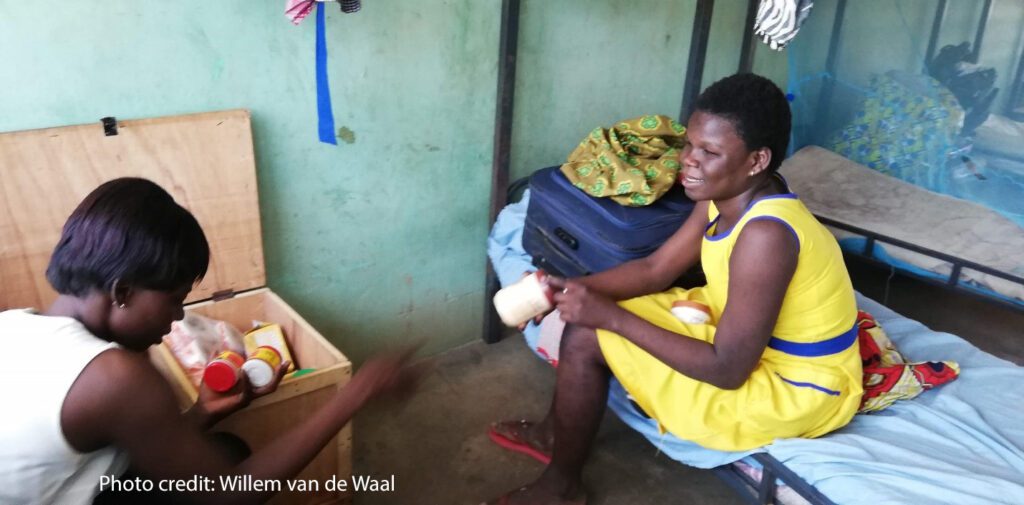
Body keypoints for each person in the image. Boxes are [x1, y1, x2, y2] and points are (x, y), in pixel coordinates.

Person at [485, 73, 863, 505]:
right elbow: (655, 269)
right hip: (743, 334)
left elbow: (727, 369)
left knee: (591, 332)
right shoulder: (725, 192)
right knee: (597, 314)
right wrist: (566, 288)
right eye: (689, 144)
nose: (688, 160)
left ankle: (561, 489)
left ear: (757, 160)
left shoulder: (766, 235)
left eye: (709, 152)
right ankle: (555, 436)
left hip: (795, 387)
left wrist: (608, 317)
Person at [0, 178, 419, 505]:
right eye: (175, 299)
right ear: (122, 292)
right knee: (227, 465)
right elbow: (226, 495)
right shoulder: (115, 377)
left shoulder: (16, 324)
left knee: (222, 446)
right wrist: (356, 393)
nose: (180, 314)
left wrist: (202, 411)